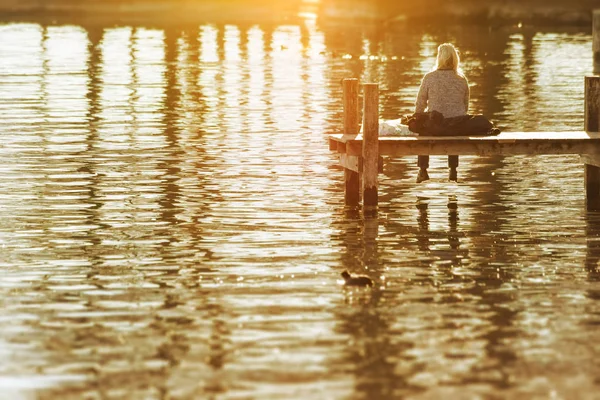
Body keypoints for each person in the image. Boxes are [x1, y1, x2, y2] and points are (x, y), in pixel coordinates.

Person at [414, 43, 469, 182]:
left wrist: (417, 118)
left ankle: (423, 170)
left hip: (435, 126)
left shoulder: (429, 77)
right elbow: (465, 106)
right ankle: (453, 169)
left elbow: (420, 103)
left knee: (422, 129)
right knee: (455, 120)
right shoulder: (462, 79)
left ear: (439, 58)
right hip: (458, 126)